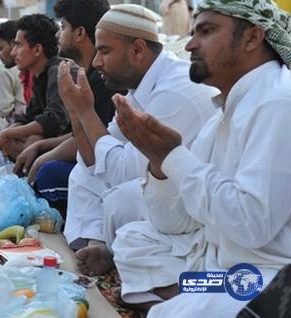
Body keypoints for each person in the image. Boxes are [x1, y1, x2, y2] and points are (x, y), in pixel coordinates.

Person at [109, 1, 291, 316]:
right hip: (215, 262)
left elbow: (252, 224)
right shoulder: (222, 113)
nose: (191, 43)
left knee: (175, 313)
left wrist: (173, 156)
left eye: (206, 31)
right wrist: (159, 164)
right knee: (133, 239)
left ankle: (182, 297)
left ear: (251, 38)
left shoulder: (277, 102)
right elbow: (174, 223)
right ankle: (188, 293)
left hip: (263, 275)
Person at [60, 4, 217, 274]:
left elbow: (122, 173)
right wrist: (76, 112)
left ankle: (114, 255)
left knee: (123, 197)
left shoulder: (176, 90)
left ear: (137, 50)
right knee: (82, 174)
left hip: (194, 214)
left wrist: (85, 110)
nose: (96, 62)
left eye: (104, 51)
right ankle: (98, 244)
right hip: (167, 205)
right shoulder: (141, 86)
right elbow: (95, 160)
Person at [12, 0, 118, 215]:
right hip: (91, 160)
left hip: (109, 171)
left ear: (79, 33)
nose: (58, 35)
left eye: (63, 27)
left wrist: (45, 154)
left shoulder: (102, 78)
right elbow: (77, 133)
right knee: (34, 147)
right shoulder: (85, 74)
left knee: (49, 172)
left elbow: (96, 141)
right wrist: (40, 148)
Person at [0, 14, 70, 165]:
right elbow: (29, 117)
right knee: (0, 137)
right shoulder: (40, 75)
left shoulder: (58, 71)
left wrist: (8, 133)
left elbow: (53, 121)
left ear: (37, 49)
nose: (13, 53)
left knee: (32, 139)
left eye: (18, 45)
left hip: (71, 144)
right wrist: (5, 134)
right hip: (54, 140)